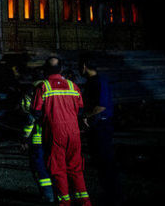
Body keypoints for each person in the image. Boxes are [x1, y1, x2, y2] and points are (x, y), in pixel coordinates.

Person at [32, 57, 92, 206]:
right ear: (61, 69)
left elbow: (36, 111)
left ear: (45, 70)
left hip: (55, 133)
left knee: (58, 169)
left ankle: (65, 202)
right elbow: (80, 110)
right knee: (76, 168)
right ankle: (85, 202)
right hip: (74, 132)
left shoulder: (43, 87)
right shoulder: (73, 86)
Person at [79, 55, 119, 206]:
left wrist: (85, 116)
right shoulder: (93, 82)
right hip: (97, 126)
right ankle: (110, 194)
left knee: (105, 161)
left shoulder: (98, 82)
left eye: (79, 66)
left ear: (84, 66)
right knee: (101, 162)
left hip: (102, 126)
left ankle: (114, 196)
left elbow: (101, 106)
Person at [21, 82, 55, 203]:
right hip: (53, 138)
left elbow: (30, 120)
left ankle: (48, 195)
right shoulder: (50, 95)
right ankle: (58, 193)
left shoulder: (30, 96)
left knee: (39, 167)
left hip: (37, 140)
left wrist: (24, 139)